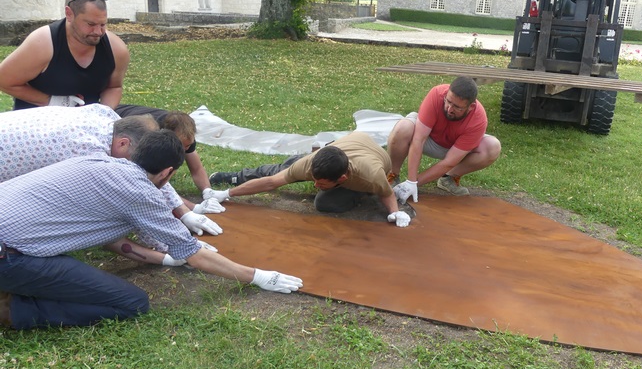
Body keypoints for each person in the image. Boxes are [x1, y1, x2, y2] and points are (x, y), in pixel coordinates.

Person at [0, 129, 303, 331]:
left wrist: (167, 256)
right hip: (9, 256)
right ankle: (13, 310)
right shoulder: (140, 194)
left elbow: (106, 234)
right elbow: (194, 255)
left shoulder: (98, 160)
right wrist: (258, 276)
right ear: (168, 172)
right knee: (132, 302)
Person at [0, 104, 223, 238]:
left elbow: (147, 171)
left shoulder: (112, 120)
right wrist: (168, 241)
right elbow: (132, 195)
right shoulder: (91, 154)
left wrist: (184, 212)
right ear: (124, 144)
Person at [208, 131, 411, 227]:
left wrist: (396, 213)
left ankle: (359, 195)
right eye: (314, 179)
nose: (314, 185)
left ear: (342, 178)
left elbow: (387, 193)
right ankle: (236, 177)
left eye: (320, 183)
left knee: (325, 203)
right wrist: (227, 193)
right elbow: (272, 182)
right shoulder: (310, 164)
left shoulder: (370, 177)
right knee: (282, 169)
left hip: (371, 157)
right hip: (346, 144)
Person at [0, 0, 129, 110]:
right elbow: (4, 80)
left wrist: (102, 112)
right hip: (39, 118)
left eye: (103, 24)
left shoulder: (116, 49)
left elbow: (114, 87)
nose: (98, 32)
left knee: (140, 118)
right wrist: (51, 101)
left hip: (87, 118)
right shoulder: (43, 43)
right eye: (90, 24)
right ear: (69, 14)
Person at [388, 76, 501, 202]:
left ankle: (448, 178)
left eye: (457, 107)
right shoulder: (437, 94)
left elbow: (449, 161)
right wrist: (411, 180)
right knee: (403, 128)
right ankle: (393, 175)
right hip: (428, 138)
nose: (449, 109)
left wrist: (413, 184)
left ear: (471, 107)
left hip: (454, 149)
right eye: (448, 101)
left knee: (492, 147)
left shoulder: (478, 120)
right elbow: (418, 140)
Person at [115, 103, 220, 200]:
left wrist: (207, 191)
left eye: (188, 146)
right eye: (181, 146)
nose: (185, 150)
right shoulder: (147, 135)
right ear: (167, 137)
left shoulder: (186, 135)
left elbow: (196, 168)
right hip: (116, 117)